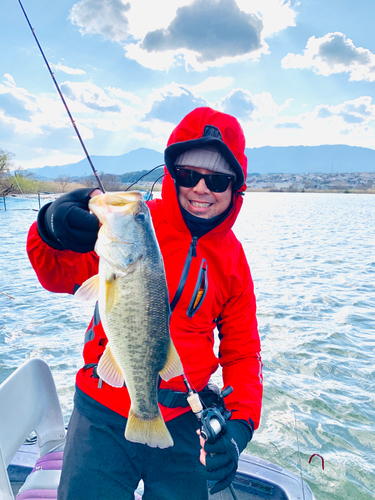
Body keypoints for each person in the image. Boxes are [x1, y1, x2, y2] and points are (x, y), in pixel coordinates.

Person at [27, 106, 263, 500]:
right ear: (172, 175)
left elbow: (243, 352)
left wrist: (238, 428)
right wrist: (51, 226)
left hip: (184, 421)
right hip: (100, 413)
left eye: (218, 179)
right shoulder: (128, 226)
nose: (202, 189)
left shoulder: (234, 262)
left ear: (235, 187)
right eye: (190, 175)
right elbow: (55, 274)